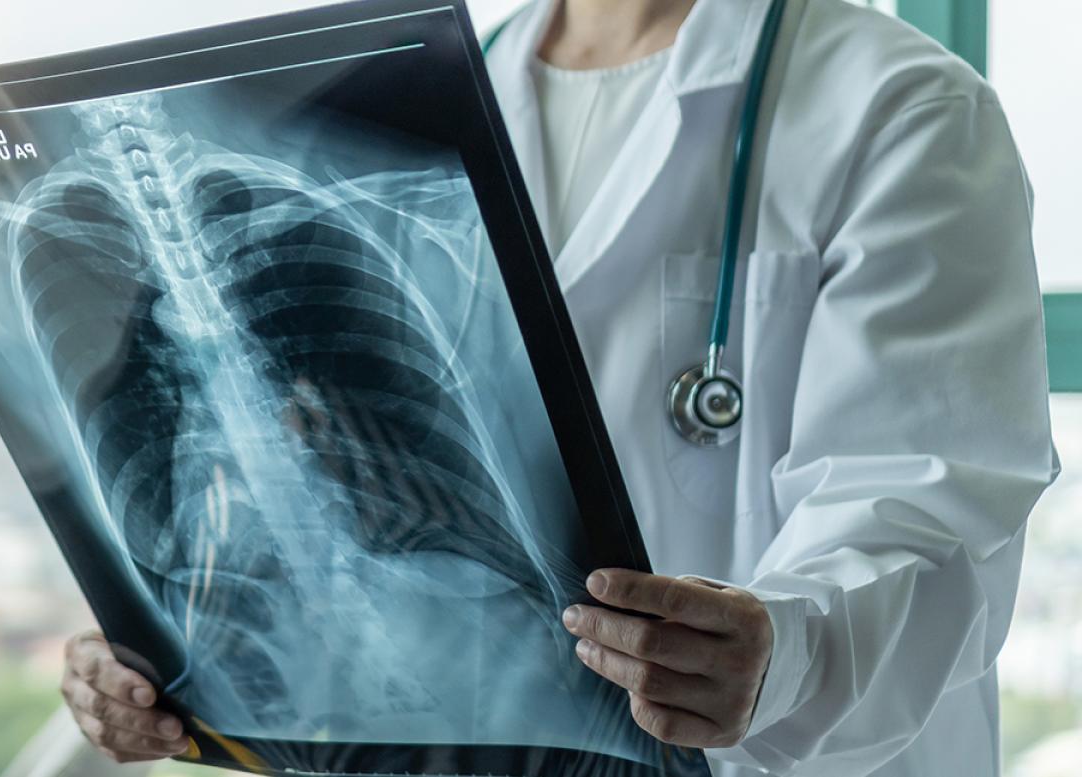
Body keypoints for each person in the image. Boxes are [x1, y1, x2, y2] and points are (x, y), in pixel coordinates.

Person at [59, 0, 1058, 774]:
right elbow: (345, 497)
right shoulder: (412, 109)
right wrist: (171, 648)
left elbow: (929, 515)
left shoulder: (897, 108)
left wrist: (783, 654)